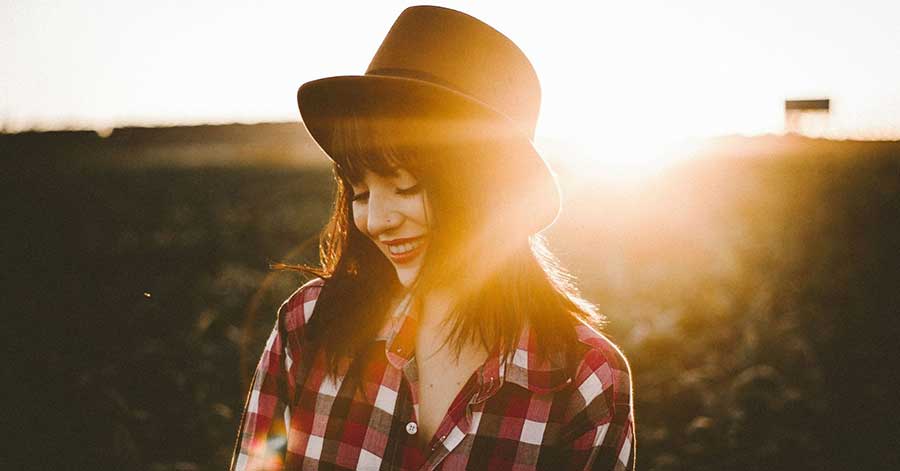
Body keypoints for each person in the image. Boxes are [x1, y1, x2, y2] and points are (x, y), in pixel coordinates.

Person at [231, 6, 634, 470]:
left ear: (486, 187)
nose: (377, 220)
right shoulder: (309, 325)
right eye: (360, 192)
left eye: (406, 185)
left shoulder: (585, 382)